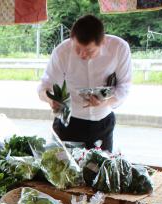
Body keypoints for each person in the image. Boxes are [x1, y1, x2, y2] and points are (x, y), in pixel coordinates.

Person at [37, 14, 132, 152]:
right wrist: (51, 99)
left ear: (103, 42)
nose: (82, 55)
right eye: (77, 49)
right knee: (64, 170)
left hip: (102, 121)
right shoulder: (62, 51)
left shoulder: (119, 48)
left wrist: (104, 102)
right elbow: (44, 86)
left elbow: (125, 87)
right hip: (68, 121)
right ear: (72, 40)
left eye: (89, 51)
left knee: (100, 169)